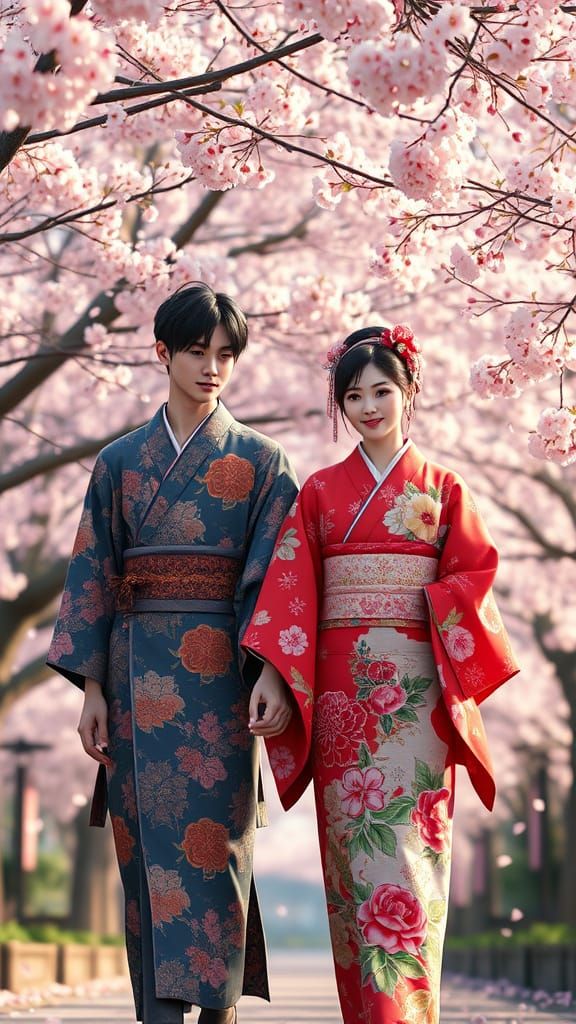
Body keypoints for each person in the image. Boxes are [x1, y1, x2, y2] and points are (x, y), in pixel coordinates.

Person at [243, 325, 519, 1024]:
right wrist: (275, 676)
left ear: (411, 392)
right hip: (341, 701)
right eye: (355, 395)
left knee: (410, 854)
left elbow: (474, 578)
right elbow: (291, 592)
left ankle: (405, 1014)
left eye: (383, 391)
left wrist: (413, 599)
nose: (369, 406)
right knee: (355, 860)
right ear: (340, 404)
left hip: (417, 697)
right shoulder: (320, 494)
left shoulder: (444, 488)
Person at [47, 283, 298, 1024]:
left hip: (224, 687)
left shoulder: (262, 461)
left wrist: (274, 674)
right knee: (146, 859)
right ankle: (156, 1015)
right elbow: (93, 570)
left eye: (226, 354)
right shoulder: (120, 462)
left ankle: (216, 1010)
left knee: (218, 856)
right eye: (197, 351)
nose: (213, 367)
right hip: (135, 684)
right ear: (162, 352)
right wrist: (92, 686)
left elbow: (278, 579)